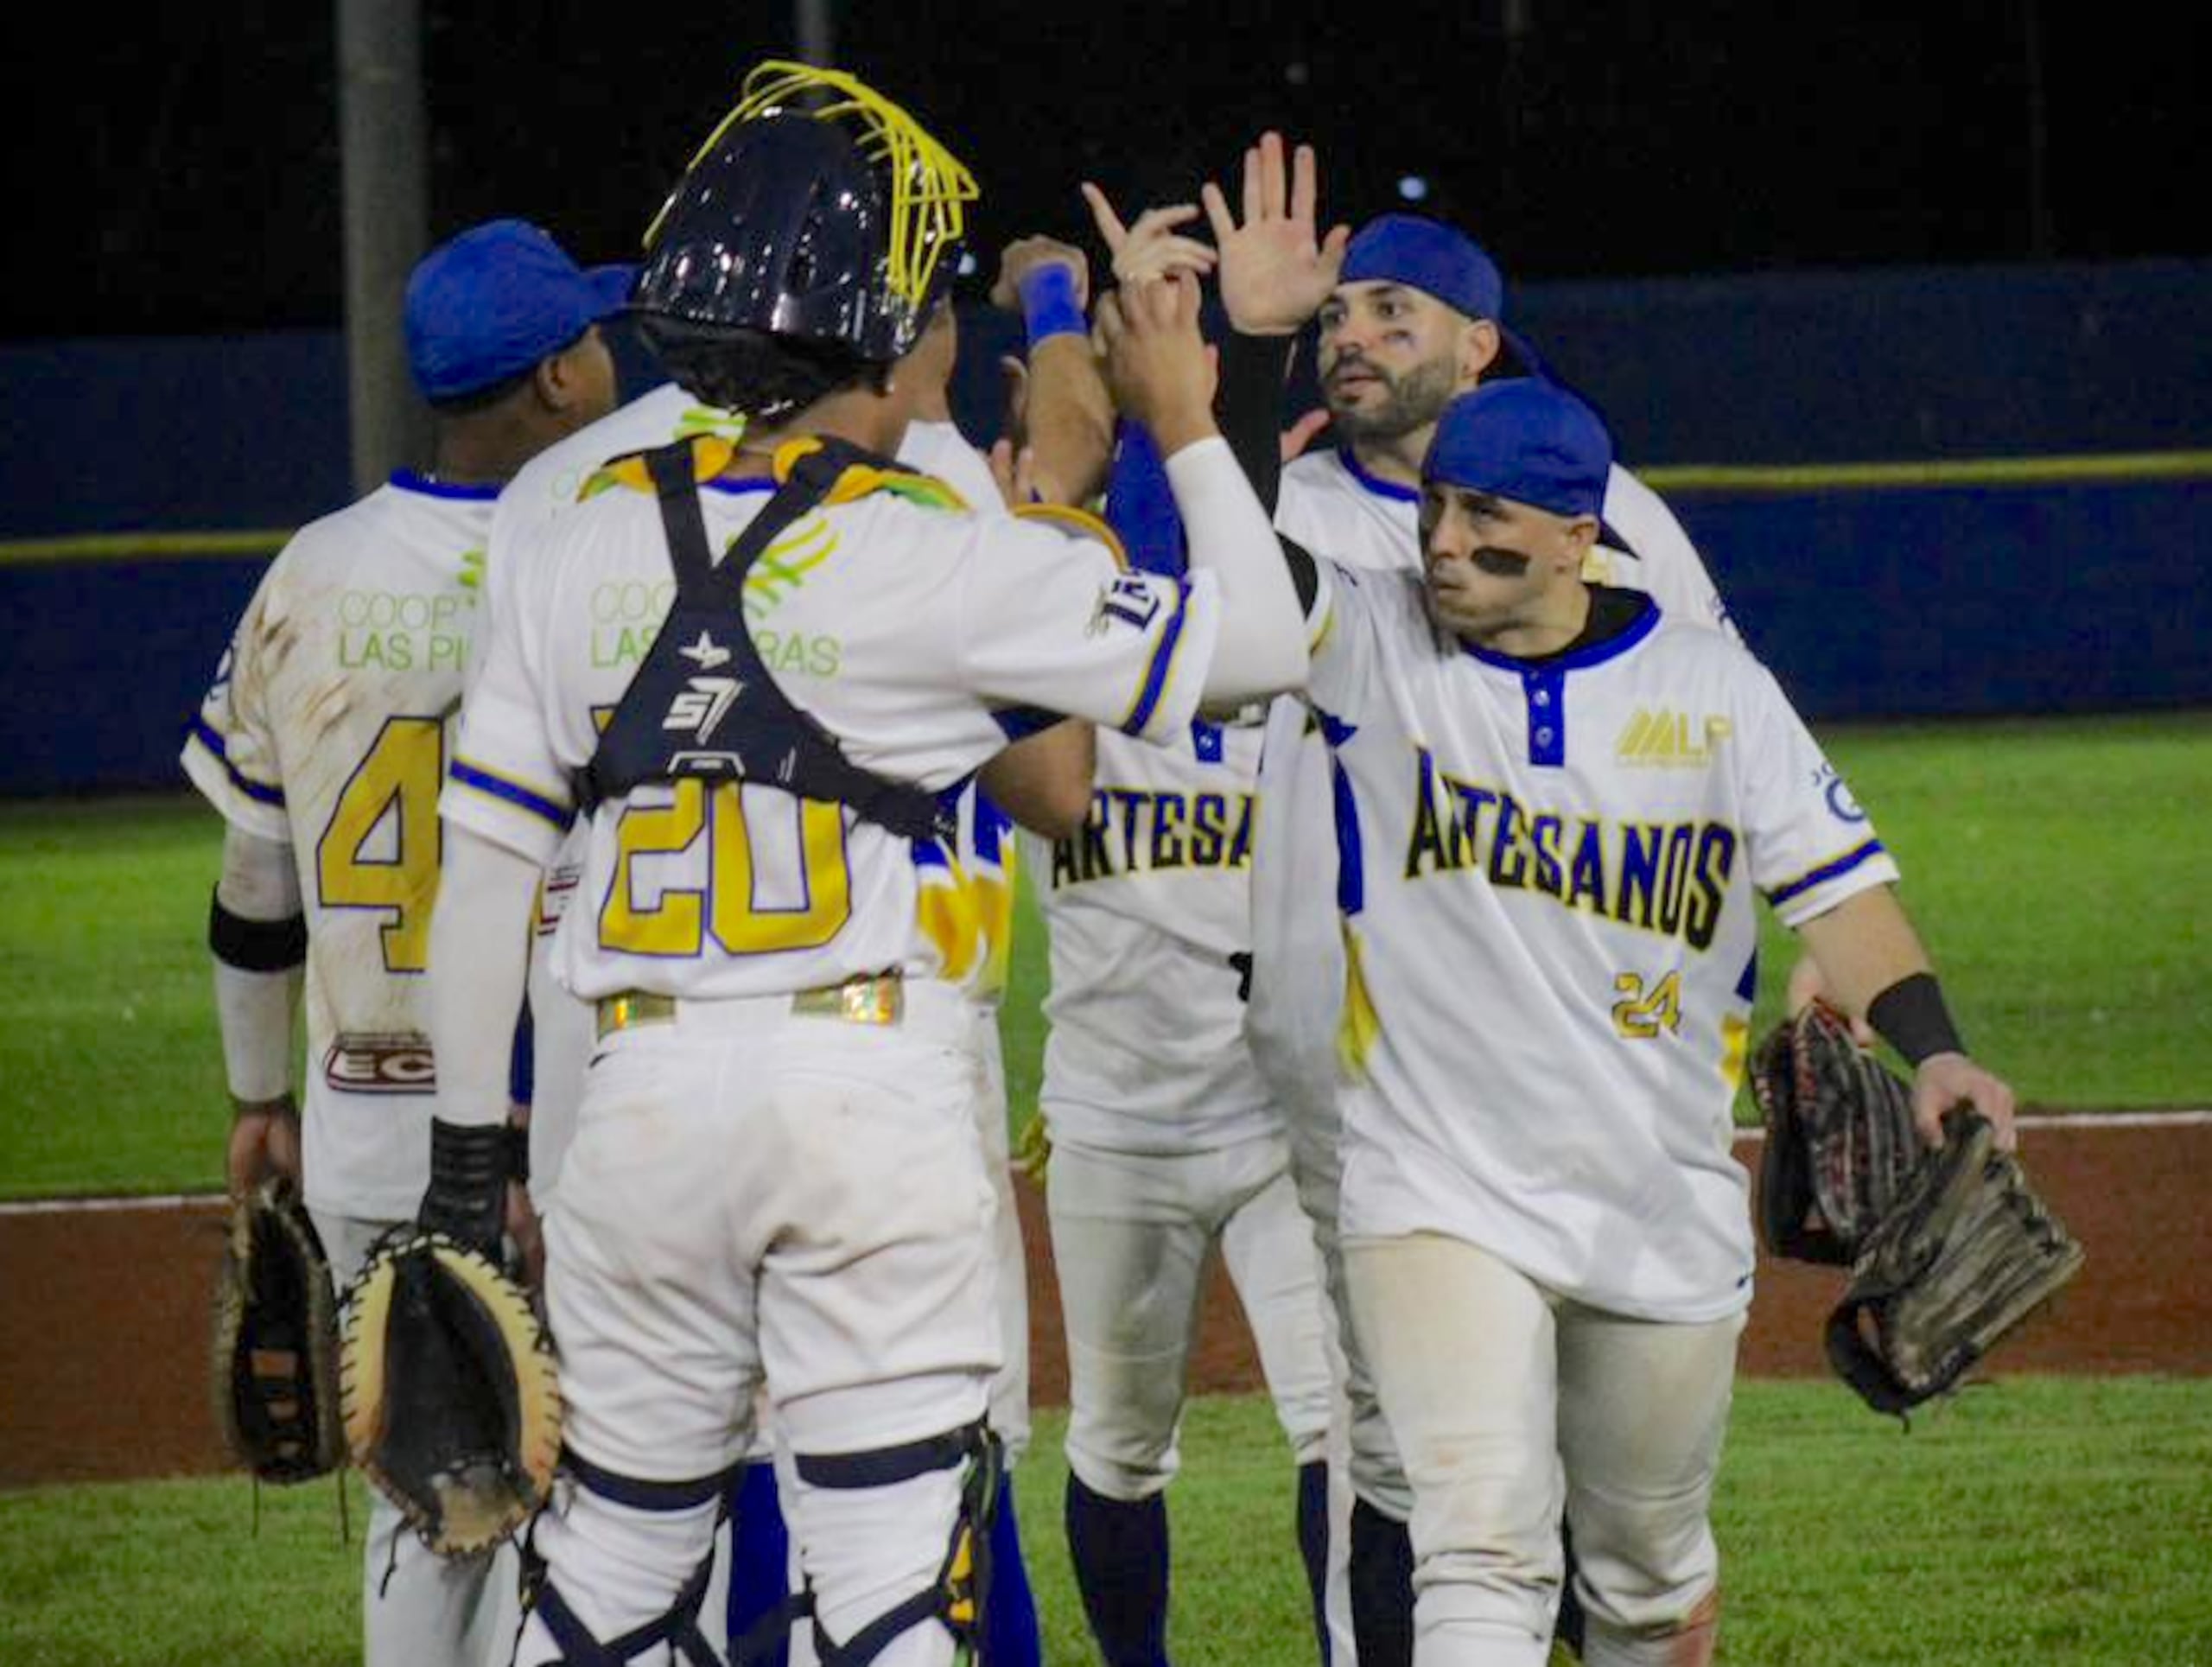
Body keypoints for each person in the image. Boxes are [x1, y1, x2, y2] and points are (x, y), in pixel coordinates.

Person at [421, 60, 1300, 1667]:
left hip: (633, 1102)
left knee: (609, 1584)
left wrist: (467, 1172)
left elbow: (483, 875)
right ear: (895, 337)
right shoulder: (933, 548)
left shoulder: (571, 530)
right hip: (861, 1090)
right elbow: (1254, 641)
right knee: (892, 1587)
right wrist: (1182, 417)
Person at [1094, 270, 2022, 1664]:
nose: (1447, 545)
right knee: (1481, 1546)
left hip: (1654, 1197)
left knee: (1646, 1581)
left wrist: (1934, 1041)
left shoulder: (1708, 688)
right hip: (1435, 1189)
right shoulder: (1375, 641)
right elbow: (1245, 570)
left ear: (1582, 537)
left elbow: (1840, 885)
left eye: (1488, 521)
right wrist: (1203, 399)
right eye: (1436, 509)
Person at [1089, 134, 1738, 1664]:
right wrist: (1243, 345)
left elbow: (1715, 760)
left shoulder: (1617, 518)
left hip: (1602, 1068)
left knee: (1607, 1459)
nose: (1356, 336)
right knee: (1409, 1457)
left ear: (1478, 344)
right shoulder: (1297, 506)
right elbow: (1184, 562)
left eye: (1392, 310)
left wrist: (1752, 997)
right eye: (1341, 316)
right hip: (1363, 1074)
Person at [477, 235, 1097, 1667]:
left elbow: (500, 837)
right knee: (891, 1551)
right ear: (892, 327)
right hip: (870, 1062)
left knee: (621, 1554)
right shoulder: (915, 488)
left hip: (623, 1070)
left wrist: (478, 1143)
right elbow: (1059, 789)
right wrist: (1063, 334)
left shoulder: (562, 498)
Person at [181, 215, 628, 1666]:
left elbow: (256, 891)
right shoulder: (607, 558)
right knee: (580, 1494)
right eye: (594, 338)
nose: (615, 355)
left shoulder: (308, 573)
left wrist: (258, 1099)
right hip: (564, 1109)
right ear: (556, 382)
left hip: (368, 1112)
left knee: (423, 1497)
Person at [995, 227, 1344, 1665]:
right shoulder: (1026, 602)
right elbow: (1077, 460)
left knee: (1344, 1420)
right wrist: (1071, 306)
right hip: (1118, 1116)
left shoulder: (1290, 591)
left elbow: (1209, 475)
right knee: (1122, 1446)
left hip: (1280, 1109)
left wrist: (1149, 329)